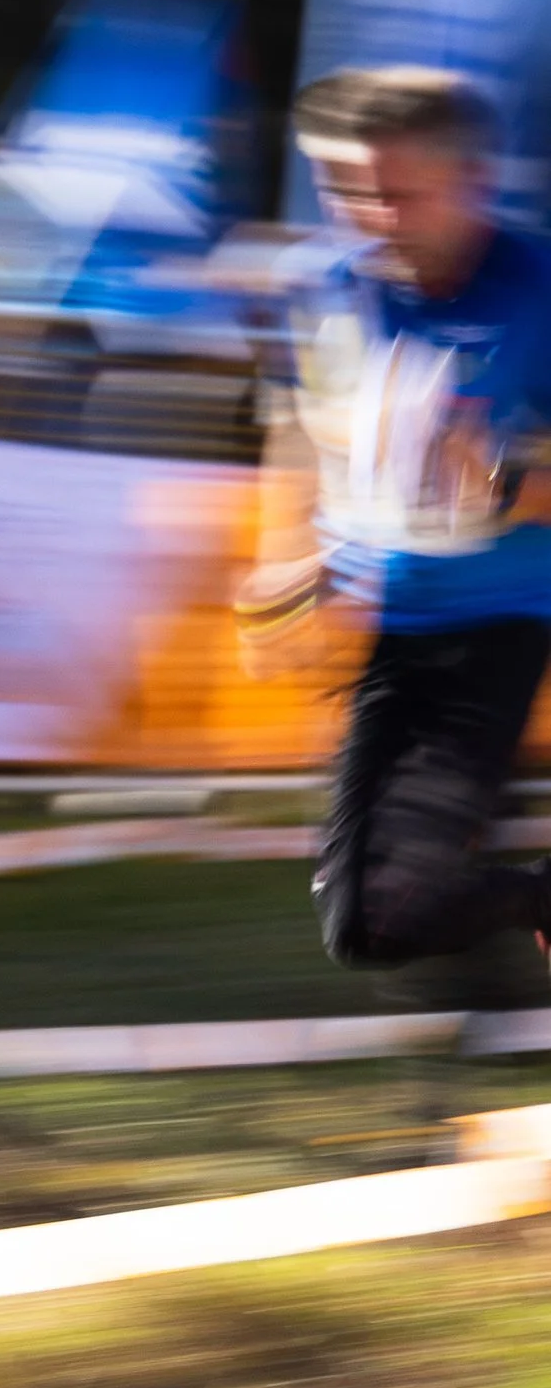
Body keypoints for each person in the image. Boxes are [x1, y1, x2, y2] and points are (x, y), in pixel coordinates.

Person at [241, 66, 551, 1005]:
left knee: (400, 914)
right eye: (345, 190)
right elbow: (299, 432)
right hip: (389, 627)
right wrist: (281, 569)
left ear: (474, 180)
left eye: (399, 192)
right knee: (364, 925)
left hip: (499, 626)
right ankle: (488, 1011)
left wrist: (501, 480)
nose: (371, 214)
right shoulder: (323, 288)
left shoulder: (538, 290)